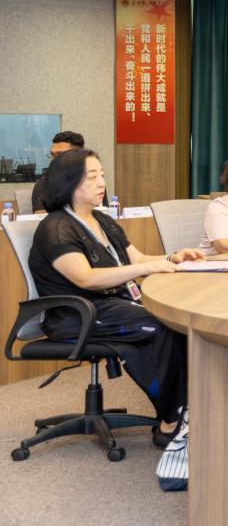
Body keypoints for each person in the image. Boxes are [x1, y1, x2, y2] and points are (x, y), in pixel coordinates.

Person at [28, 149, 201, 443]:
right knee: (161, 325)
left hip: (113, 304)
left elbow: (136, 258)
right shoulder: (56, 228)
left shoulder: (101, 219)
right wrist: (145, 268)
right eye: (92, 177)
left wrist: (172, 257)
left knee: (175, 317)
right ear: (68, 182)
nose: (101, 183)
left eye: (102, 175)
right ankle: (171, 420)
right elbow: (85, 278)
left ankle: (189, 407)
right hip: (79, 314)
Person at [31, 131, 108, 213]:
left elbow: (103, 212)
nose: (54, 160)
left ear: (78, 157)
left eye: (60, 155)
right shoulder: (43, 185)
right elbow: (40, 216)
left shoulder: (94, 183)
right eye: (52, 155)